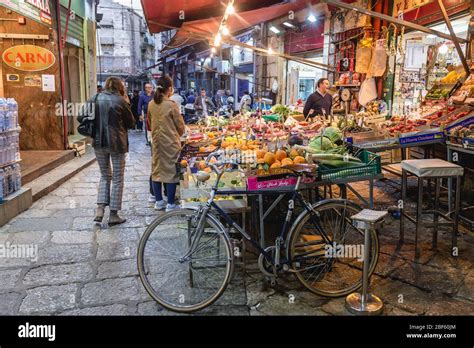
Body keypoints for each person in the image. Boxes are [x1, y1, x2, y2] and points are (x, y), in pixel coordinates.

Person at [79, 77, 136, 225]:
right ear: (119, 87)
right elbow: (131, 123)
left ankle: (99, 210)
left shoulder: (95, 98)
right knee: (117, 178)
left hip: (98, 142)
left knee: (105, 176)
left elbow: (80, 116)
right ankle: (113, 215)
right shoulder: (120, 101)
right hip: (117, 144)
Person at [148, 75, 185, 212]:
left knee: (156, 171)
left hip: (156, 142)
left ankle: (158, 202)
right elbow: (180, 126)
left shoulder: (151, 104)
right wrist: (178, 134)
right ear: (169, 89)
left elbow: (149, 122)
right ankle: (170, 203)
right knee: (171, 172)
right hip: (170, 143)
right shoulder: (171, 105)